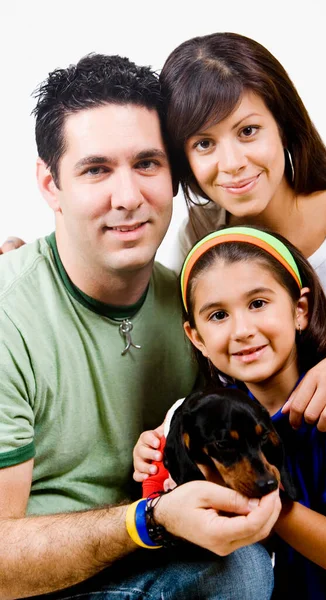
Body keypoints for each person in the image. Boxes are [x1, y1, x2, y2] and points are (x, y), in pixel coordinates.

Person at [0, 53, 281, 599]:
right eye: (96, 168)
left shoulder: (196, 306)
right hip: (39, 582)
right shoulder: (10, 314)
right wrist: (148, 521)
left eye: (147, 163)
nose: (128, 198)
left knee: (247, 564)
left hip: (147, 558)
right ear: (50, 183)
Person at [142, 225, 326, 599]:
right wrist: (155, 452)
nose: (242, 330)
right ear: (196, 337)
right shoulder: (221, 413)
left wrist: (248, 495)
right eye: (217, 315)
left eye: (258, 304)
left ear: (300, 310)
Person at [159, 31, 326, 429]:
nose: (232, 162)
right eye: (204, 143)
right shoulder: (199, 236)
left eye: (248, 131)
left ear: (283, 126)